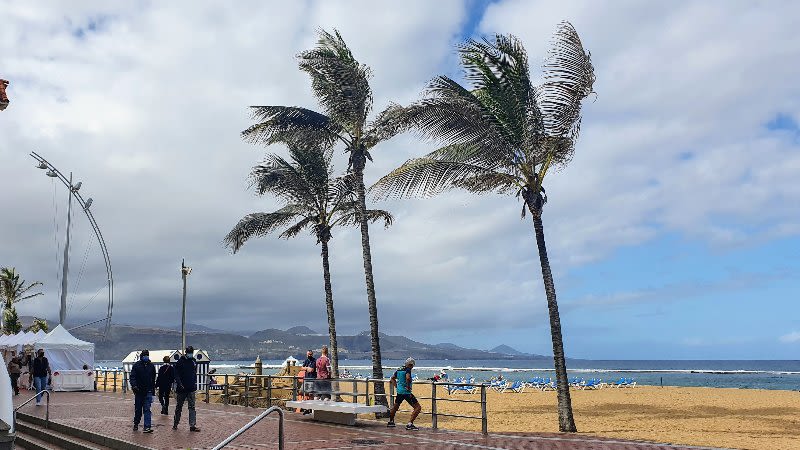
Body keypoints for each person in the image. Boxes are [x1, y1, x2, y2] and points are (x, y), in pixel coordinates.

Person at [387, 357, 422, 430]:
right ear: (410, 365)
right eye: (412, 366)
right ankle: (410, 424)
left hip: (399, 392)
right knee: (418, 407)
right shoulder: (408, 369)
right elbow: (408, 378)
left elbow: (392, 378)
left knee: (395, 407)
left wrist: (396, 386)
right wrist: (408, 386)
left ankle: (390, 422)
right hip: (406, 392)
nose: (412, 367)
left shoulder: (399, 369)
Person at [174, 346, 200, 432]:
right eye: (189, 352)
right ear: (186, 352)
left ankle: (192, 425)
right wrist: (180, 384)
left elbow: (194, 372)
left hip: (191, 388)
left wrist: (194, 383)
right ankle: (175, 423)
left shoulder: (193, 361)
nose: (190, 354)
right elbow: (176, 375)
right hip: (182, 389)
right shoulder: (180, 362)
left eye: (191, 352)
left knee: (192, 407)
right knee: (179, 407)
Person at [130, 349, 157, 433]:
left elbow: (153, 379)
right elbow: (132, 377)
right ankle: (136, 423)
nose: (146, 357)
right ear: (142, 356)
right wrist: (134, 386)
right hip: (139, 391)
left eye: (147, 355)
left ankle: (147, 427)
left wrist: (153, 392)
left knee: (147, 409)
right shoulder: (136, 366)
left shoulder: (151, 366)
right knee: (138, 409)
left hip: (148, 391)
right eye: (145, 355)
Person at [299, 349, 316, 414]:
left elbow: (312, 370)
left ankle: (310, 408)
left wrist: (307, 368)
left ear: (312, 354)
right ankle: (306, 407)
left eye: (310, 354)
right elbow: (301, 368)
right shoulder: (306, 360)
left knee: (311, 394)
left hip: (312, 379)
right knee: (303, 392)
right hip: (306, 379)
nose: (309, 355)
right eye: (308, 354)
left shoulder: (314, 361)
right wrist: (306, 368)